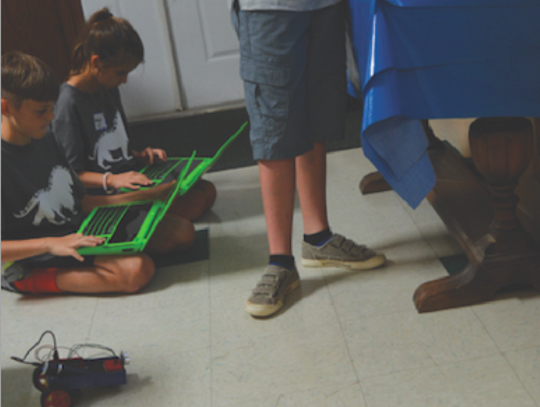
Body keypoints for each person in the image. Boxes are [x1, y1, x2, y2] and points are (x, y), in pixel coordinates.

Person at [229, 0, 387, 317]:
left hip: (326, 5)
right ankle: (280, 261)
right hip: (269, 9)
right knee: (275, 129)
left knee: (317, 118)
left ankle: (318, 237)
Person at [1, 51, 194, 295]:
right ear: (6, 108)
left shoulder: (46, 137)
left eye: (51, 108)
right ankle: (24, 279)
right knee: (136, 270)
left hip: (82, 229)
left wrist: (144, 197)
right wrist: (51, 244)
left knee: (182, 233)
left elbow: (84, 202)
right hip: (41, 251)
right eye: (41, 111)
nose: (51, 117)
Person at [51, 8, 216, 222]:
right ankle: (149, 220)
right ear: (96, 62)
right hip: (105, 192)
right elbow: (73, 175)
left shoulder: (107, 87)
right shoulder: (67, 104)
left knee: (206, 190)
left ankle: (155, 215)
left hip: (130, 178)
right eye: (121, 73)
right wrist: (113, 180)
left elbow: (116, 146)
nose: (124, 81)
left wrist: (139, 155)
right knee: (185, 223)